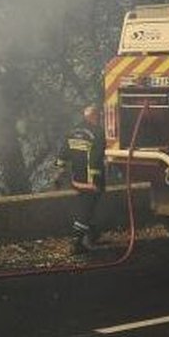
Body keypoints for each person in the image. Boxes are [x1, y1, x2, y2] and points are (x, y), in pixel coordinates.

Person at [63, 104, 107, 253]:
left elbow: (63, 153)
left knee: (88, 206)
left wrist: (59, 172)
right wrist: (94, 180)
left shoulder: (72, 131)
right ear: (94, 116)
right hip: (90, 180)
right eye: (99, 116)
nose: (100, 119)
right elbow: (95, 158)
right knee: (87, 208)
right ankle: (76, 243)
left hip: (76, 178)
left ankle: (92, 235)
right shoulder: (97, 132)